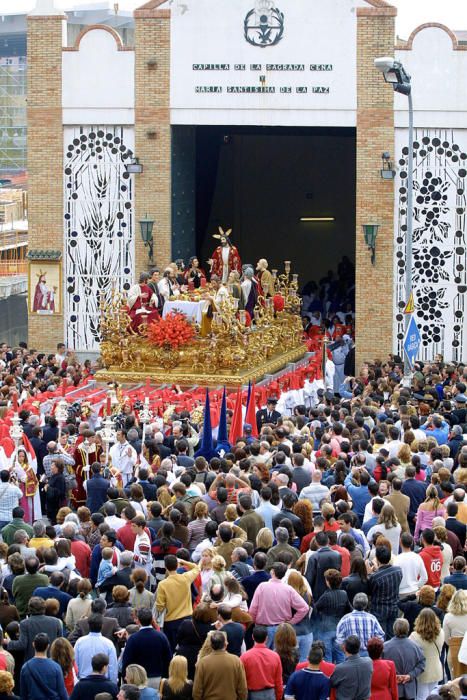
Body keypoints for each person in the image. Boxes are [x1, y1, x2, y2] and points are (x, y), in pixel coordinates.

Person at [249, 562, 309, 649]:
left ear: (272, 572)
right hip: (281, 629)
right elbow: (304, 608)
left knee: (263, 656)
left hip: (263, 629)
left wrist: (255, 623)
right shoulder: (288, 589)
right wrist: (291, 622)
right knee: (279, 657)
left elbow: (253, 609)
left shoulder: (262, 587)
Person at [155, 555, 200, 651]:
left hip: (171, 622)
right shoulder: (186, 578)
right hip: (187, 619)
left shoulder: (162, 584)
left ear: (166, 567)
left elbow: (160, 607)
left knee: (170, 649)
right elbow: (197, 567)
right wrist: (184, 561)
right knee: (186, 648)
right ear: (177, 565)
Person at [121, 608, 172, 688]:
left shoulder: (133, 639)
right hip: (158, 679)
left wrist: (125, 678)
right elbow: (168, 659)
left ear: (138, 620)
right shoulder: (161, 637)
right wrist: (165, 677)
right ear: (152, 619)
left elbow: (127, 661)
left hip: (138, 680)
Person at [192, 630, 247, 700]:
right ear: (225, 644)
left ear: (211, 645)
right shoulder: (236, 661)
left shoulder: (203, 663)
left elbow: (197, 691)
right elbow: (242, 688)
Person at [383, 618, 425, 700]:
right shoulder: (416, 647)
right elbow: (422, 664)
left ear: (394, 629)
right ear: (408, 629)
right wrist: (410, 675)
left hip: (392, 689)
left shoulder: (385, 647)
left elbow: (381, 667)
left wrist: (393, 677)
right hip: (410, 689)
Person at [409, 609, 444, 700]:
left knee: (421, 696)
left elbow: (410, 653)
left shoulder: (414, 636)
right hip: (436, 668)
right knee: (434, 695)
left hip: (422, 671)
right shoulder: (441, 632)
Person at [20, 633, 68, 700]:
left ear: (33, 644)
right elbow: (62, 692)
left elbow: (23, 694)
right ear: (48, 646)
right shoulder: (56, 667)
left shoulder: (25, 667)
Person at [368, 545, 402, 638]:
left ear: (377, 559)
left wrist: (371, 573)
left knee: (380, 636)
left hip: (379, 610)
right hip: (393, 607)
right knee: (391, 635)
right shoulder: (398, 571)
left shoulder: (375, 577)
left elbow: (370, 591)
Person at [240, 625, 283, 700]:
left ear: (252, 637)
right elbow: (278, 681)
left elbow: (241, 681)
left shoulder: (245, 657)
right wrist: (278, 696)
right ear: (266, 638)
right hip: (270, 694)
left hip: (252, 694)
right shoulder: (275, 656)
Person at [74, 614, 118, 683]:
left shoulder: (80, 642)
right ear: (102, 626)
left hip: (83, 681)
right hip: (103, 682)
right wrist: (113, 684)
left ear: (88, 625)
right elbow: (112, 667)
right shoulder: (108, 643)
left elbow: (75, 663)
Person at [330, 635, 373, 700]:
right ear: (359, 647)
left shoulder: (340, 668)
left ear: (344, 648)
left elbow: (331, 683)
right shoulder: (368, 662)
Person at [304, 531, 341, 602]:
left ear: (316, 542)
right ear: (328, 541)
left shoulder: (314, 557)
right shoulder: (337, 555)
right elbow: (338, 574)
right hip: (334, 593)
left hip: (318, 595)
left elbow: (309, 579)